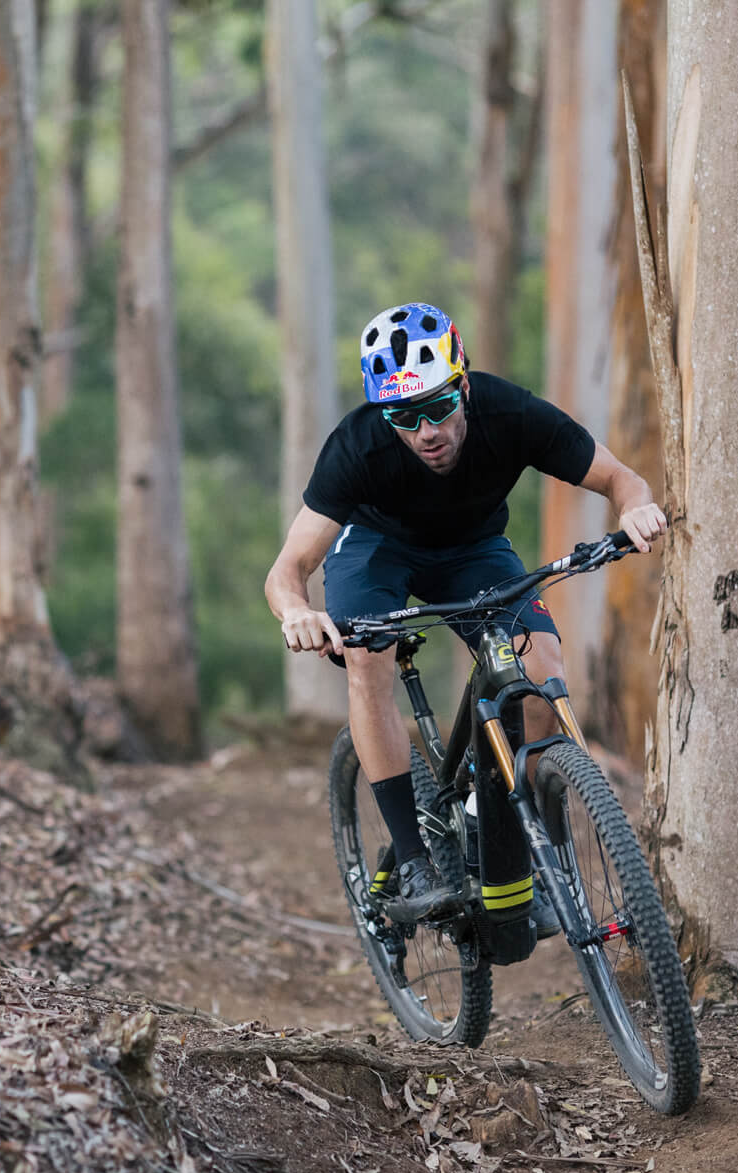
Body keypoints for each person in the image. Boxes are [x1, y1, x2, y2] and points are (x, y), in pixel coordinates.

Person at [263, 302, 666, 933]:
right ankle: (418, 863)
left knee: (539, 670)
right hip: (377, 553)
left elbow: (623, 481)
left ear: (465, 384)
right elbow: (287, 570)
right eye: (404, 416)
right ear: (382, 414)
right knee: (370, 659)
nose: (426, 430)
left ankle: (485, 807)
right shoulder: (357, 445)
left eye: (438, 405)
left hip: (474, 553)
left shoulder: (510, 414)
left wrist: (635, 511)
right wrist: (295, 612)